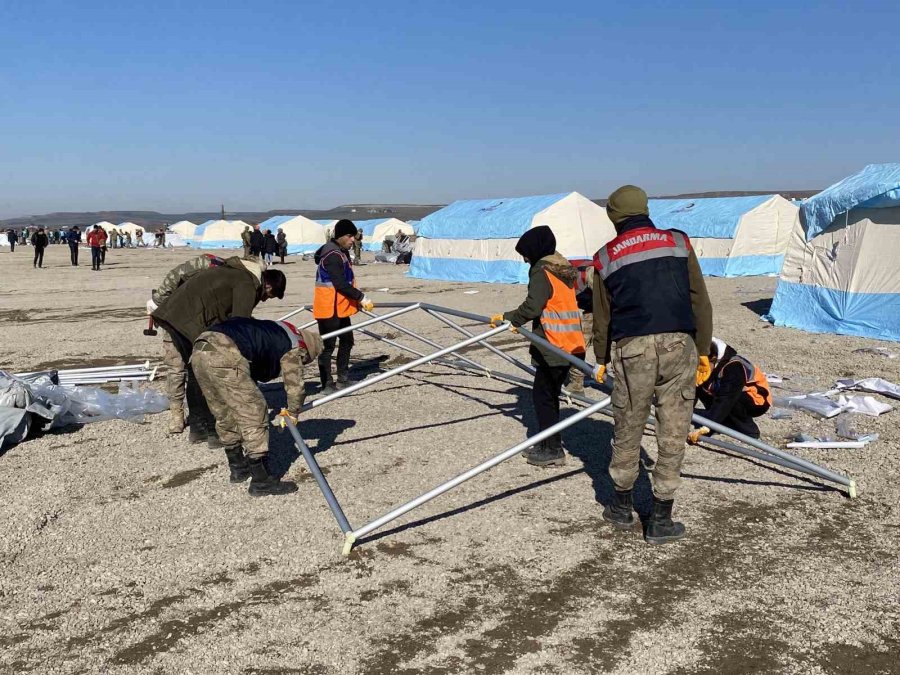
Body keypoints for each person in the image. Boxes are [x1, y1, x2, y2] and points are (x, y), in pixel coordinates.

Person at [591, 185, 713, 544]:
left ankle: (621, 507)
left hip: (633, 349)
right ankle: (661, 518)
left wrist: (600, 357)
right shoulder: (678, 242)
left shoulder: (605, 256)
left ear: (614, 216)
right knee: (673, 429)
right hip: (680, 344)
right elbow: (699, 300)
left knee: (628, 425)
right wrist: (703, 349)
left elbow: (603, 315)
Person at [151, 257, 287, 445]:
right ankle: (211, 430)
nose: (264, 299)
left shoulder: (234, 272)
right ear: (269, 287)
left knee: (194, 369)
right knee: (204, 371)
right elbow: (240, 326)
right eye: (268, 296)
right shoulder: (247, 282)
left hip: (175, 315)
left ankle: (199, 429)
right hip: (186, 321)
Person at [192, 318, 323, 496]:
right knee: (253, 411)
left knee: (223, 410)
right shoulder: (295, 346)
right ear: (308, 349)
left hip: (201, 348)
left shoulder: (277, 330)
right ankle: (261, 480)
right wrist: (293, 412)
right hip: (225, 352)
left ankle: (238, 466)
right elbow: (295, 387)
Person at [489, 226, 586, 467]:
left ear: (535, 251)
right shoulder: (561, 269)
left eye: (526, 254)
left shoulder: (542, 272)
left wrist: (508, 317)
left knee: (543, 398)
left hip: (553, 345)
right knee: (549, 395)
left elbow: (533, 306)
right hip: (571, 344)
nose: (524, 259)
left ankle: (552, 449)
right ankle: (546, 442)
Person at [146, 254, 227, 434]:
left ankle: (204, 412)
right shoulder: (207, 264)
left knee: (202, 367)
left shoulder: (227, 271)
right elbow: (172, 280)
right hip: (176, 320)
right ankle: (177, 413)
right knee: (177, 367)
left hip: (201, 324)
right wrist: (161, 305)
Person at [312, 219, 373, 393]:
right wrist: (361, 297)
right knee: (328, 346)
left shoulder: (341, 252)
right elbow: (339, 283)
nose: (353, 239)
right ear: (340, 236)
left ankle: (342, 379)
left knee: (347, 341)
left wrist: (355, 301)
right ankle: (327, 384)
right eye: (349, 236)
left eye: (353, 236)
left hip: (340, 307)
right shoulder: (332, 256)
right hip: (328, 308)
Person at [692, 337, 772, 442]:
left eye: (703, 365)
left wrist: (707, 429)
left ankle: (748, 429)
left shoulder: (733, 367)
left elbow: (725, 400)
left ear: (714, 358)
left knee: (729, 399)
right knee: (699, 382)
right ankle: (720, 420)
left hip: (756, 400)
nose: (700, 368)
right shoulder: (707, 362)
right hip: (727, 394)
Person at [566, 263, 596, 394]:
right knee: (579, 345)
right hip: (593, 308)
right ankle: (576, 384)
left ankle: (576, 384)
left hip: (608, 309)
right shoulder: (574, 279)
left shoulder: (590, 274)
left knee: (578, 345)